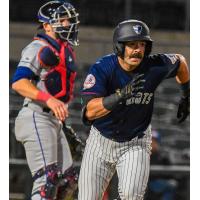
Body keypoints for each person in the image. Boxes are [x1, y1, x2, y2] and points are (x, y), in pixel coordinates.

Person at [78, 19, 189, 200]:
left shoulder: (154, 66)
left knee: (131, 196)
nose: (137, 49)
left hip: (135, 142)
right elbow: (89, 111)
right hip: (100, 141)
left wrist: (187, 94)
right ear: (119, 47)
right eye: (131, 44)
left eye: (142, 44)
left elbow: (180, 61)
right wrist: (119, 96)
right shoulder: (103, 68)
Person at [11, 1, 80, 199]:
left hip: (53, 121)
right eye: (63, 20)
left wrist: (63, 125)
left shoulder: (63, 50)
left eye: (70, 20)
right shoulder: (37, 47)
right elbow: (19, 83)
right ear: (47, 25)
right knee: (47, 181)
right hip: (35, 115)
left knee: (68, 182)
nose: (69, 24)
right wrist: (49, 100)